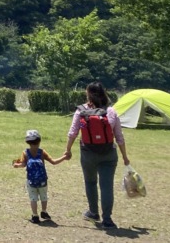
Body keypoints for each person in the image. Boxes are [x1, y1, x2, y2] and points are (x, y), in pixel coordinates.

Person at [63, 81, 129, 230]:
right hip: (108, 153)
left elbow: (73, 132)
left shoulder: (81, 111)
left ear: (88, 94)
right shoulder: (111, 111)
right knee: (106, 186)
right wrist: (125, 156)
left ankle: (93, 212)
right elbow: (119, 137)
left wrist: (68, 150)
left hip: (88, 153)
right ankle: (107, 219)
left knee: (90, 182)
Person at [13, 129, 68, 224]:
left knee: (33, 198)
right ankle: (44, 211)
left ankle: (35, 216)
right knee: (44, 196)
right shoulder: (42, 152)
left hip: (31, 181)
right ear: (39, 141)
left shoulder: (25, 152)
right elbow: (54, 162)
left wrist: (16, 165)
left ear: (28, 142)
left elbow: (23, 164)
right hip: (43, 180)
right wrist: (64, 157)